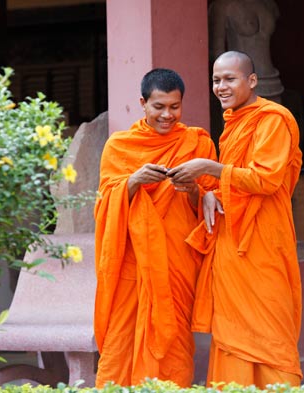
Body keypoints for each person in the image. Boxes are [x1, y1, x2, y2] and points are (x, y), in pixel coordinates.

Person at [167, 51, 303, 388]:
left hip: (264, 244)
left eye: (230, 78)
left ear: (252, 80)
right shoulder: (233, 125)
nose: (221, 86)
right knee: (231, 339)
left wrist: (210, 168)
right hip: (232, 246)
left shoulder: (274, 119)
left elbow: (265, 180)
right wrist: (205, 192)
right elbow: (234, 187)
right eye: (216, 80)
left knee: (273, 333)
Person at [94, 68, 217, 388]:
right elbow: (104, 207)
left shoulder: (197, 143)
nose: (167, 115)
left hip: (176, 261)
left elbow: (211, 207)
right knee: (120, 342)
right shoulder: (119, 146)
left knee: (173, 341)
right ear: (143, 103)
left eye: (174, 107)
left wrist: (192, 190)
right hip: (133, 263)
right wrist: (133, 182)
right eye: (159, 107)